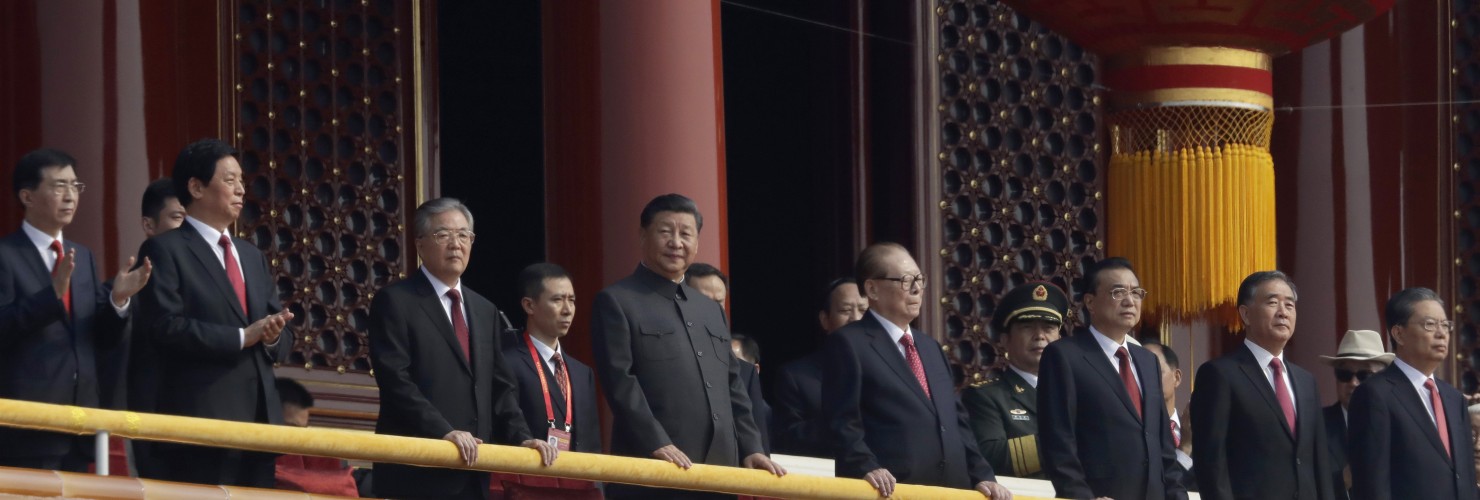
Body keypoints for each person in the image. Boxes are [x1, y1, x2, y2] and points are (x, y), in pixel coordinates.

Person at [590, 194, 783, 499]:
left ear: (696, 242)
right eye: (665, 231)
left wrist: (751, 447)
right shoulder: (617, 301)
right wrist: (656, 441)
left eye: (686, 234)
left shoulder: (710, 310)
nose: (676, 242)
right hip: (653, 467)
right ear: (643, 235)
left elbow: (733, 386)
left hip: (719, 471)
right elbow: (619, 383)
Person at [368, 198, 557, 499]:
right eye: (443, 234)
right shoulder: (396, 301)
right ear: (419, 244)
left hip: (473, 473)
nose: (456, 244)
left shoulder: (484, 309)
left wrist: (522, 438)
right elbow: (395, 381)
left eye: (463, 235)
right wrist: (444, 432)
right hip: (416, 469)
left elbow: (500, 387)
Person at [135, 139, 289, 486]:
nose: (241, 190)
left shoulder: (251, 255)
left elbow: (276, 329)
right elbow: (164, 327)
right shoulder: (165, 249)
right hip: (200, 420)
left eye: (241, 181)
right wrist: (241, 336)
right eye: (230, 180)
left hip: (260, 422)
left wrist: (273, 335)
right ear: (196, 187)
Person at [0, 148, 151, 472]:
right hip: (27, 425)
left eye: (75, 186)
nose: (70, 196)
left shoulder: (81, 255)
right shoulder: (6, 255)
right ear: (27, 195)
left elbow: (98, 336)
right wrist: (50, 296)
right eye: (58, 186)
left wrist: (118, 301)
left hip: (81, 423)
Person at [822, 242, 1011, 499]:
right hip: (889, 490)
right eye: (905, 280)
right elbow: (842, 421)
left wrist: (983, 475)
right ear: (872, 289)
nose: (917, 289)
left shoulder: (930, 346)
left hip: (950, 490)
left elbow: (956, 421)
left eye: (920, 280)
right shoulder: (849, 343)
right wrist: (866, 466)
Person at [1037, 257, 1186, 500]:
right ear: (1090, 302)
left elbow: (1163, 446)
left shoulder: (1147, 361)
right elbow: (1058, 440)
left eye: (1136, 293)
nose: (1130, 301)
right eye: (1118, 292)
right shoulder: (1065, 356)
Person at [1190, 271, 1332, 500]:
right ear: (1245, 314)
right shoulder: (1220, 374)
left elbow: (1319, 462)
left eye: (1290, 305)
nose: (1283, 312)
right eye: (1273, 302)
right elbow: (1211, 461)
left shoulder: (1306, 381)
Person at [1349, 287, 1479, 499]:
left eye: (1445, 325)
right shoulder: (1375, 395)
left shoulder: (1454, 398)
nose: (1441, 333)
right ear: (1399, 333)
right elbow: (1372, 484)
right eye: (1430, 324)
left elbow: (1465, 478)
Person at [961, 281, 1068, 479]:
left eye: (1048, 328)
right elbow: (989, 456)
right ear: (1004, 340)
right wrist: (1066, 442)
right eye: (1027, 327)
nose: (1039, 336)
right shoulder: (984, 396)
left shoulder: (1077, 393)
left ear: (1059, 339)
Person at [115, 179, 185, 478]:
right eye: (177, 218)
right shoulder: (129, 289)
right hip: (152, 416)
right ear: (148, 224)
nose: (186, 230)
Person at [501, 263, 600, 453]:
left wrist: (596, 483)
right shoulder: (508, 363)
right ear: (529, 305)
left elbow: (592, 442)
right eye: (557, 300)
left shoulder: (582, 372)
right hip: (529, 476)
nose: (567, 309)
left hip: (577, 478)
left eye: (571, 300)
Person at [772, 277, 866, 457]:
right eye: (846, 310)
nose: (856, 319)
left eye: (863, 310)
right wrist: (843, 424)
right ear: (825, 320)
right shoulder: (796, 376)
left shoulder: (893, 368)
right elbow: (786, 438)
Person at [685, 261, 772, 455]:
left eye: (719, 303)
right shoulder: (665, 358)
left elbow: (758, 443)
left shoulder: (746, 372)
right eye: (704, 300)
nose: (713, 310)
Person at [1318, 329, 1392, 498]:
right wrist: (1343, 480)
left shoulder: (1402, 423)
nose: (1353, 383)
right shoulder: (1317, 425)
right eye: (1344, 374)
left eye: (1364, 375)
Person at [1142, 341, 1195, 491]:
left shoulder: (1194, 426)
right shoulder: (1137, 432)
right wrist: (1184, 447)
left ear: (1176, 377)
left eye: (1154, 369)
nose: (1146, 378)